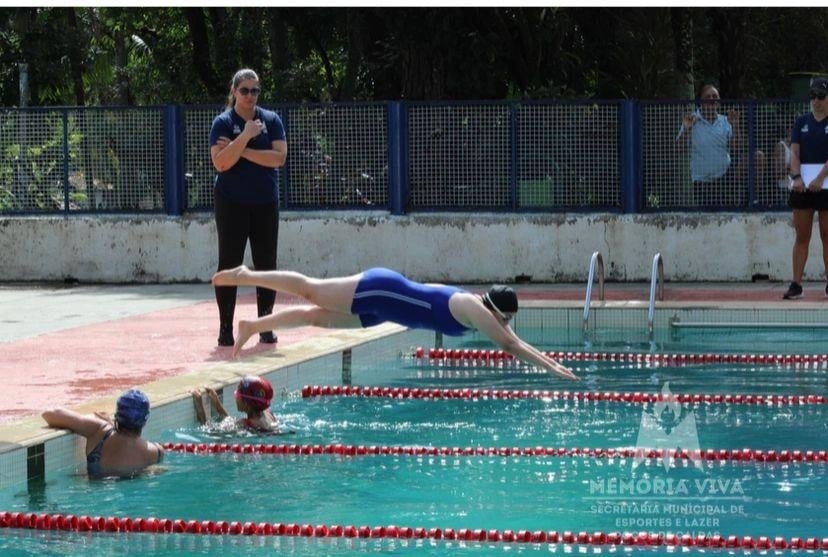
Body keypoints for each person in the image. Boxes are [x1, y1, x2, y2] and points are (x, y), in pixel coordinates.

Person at [212, 266, 579, 381]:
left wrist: (555, 363)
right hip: (382, 289)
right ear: (497, 311)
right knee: (311, 291)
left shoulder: (486, 314)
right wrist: (555, 373)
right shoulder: (472, 306)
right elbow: (511, 345)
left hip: (385, 310)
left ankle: (252, 326)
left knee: (315, 318)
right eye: (507, 318)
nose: (507, 325)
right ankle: (248, 273)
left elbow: (513, 339)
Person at [210, 68, 288, 347]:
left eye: (255, 90)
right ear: (234, 92)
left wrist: (238, 149)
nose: (250, 95)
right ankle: (225, 328)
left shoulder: (271, 120)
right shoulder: (222, 122)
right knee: (229, 264)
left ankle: (265, 325)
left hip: (265, 202)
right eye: (245, 90)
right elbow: (221, 163)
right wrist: (244, 136)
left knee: (266, 265)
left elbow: (278, 158)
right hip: (231, 203)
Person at [41, 389, 164, 479]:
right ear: (145, 420)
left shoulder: (99, 433)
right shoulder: (156, 452)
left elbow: (50, 414)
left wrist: (103, 424)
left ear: (117, 415)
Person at [675, 83, 764, 207]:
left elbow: (736, 148)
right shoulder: (691, 119)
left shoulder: (725, 121)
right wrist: (687, 129)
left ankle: (753, 202)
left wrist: (735, 125)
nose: (712, 100)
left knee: (757, 156)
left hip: (725, 177)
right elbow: (677, 151)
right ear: (700, 101)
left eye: (715, 97)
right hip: (703, 182)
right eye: (708, 97)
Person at [782, 77, 828, 300]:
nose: (816, 100)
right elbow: (794, 153)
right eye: (813, 96)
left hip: (826, 184)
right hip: (802, 187)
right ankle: (796, 284)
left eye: (821, 96)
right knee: (802, 236)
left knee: (827, 236)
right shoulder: (801, 122)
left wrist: (820, 179)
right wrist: (797, 177)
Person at [191, 376, 287, 434]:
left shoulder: (245, 424)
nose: (236, 397)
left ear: (246, 403)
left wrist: (199, 406)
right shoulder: (268, 413)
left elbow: (209, 431)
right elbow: (229, 422)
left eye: (238, 395)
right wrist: (217, 403)